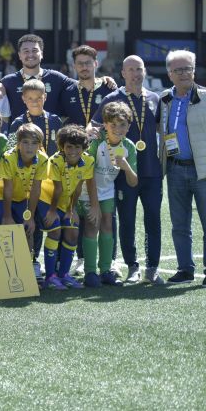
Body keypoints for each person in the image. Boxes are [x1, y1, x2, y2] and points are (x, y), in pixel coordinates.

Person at [90, 55, 164, 285]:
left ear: (144, 71)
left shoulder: (154, 98)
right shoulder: (113, 98)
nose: (135, 73)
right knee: (127, 219)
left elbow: (162, 130)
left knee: (153, 219)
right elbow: (93, 128)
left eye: (139, 69)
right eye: (130, 69)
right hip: (122, 173)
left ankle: (152, 267)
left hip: (151, 171)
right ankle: (133, 266)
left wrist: (163, 164)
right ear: (123, 73)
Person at [158, 50, 206, 285]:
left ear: (194, 71)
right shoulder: (164, 99)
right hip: (175, 169)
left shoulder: (205, 97)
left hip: (203, 171)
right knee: (179, 224)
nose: (184, 73)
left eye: (188, 68)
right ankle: (185, 269)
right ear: (169, 74)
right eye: (178, 70)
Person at [82, 102, 137, 287]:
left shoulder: (128, 146)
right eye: (113, 124)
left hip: (106, 191)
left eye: (122, 125)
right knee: (92, 224)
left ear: (129, 127)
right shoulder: (96, 142)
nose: (118, 129)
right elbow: (87, 175)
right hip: (86, 190)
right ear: (104, 124)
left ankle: (105, 271)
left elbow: (133, 181)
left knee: (107, 226)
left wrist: (126, 167)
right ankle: (90, 272)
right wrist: (94, 204)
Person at [0, 34, 114, 122]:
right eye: (26, 51)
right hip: (20, 143)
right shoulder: (8, 82)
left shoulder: (56, 78)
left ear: (42, 54)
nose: (30, 55)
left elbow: (82, 83)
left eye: (35, 50)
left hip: (51, 142)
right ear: (19, 55)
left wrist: (103, 79)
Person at [38, 124, 95, 290]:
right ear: (62, 146)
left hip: (65, 203)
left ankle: (64, 275)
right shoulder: (55, 160)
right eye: (69, 147)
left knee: (73, 232)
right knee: (55, 231)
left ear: (84, 148)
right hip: (47, 201)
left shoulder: (88, 161)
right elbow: (58, 189)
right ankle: (50, 276)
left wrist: (71, 210)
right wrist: (52, 211)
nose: (73, 151)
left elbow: (78, 187)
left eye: (77, 147)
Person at [0, 124, 47, 268]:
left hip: (22, 198)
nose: (29, 147)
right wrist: (7, 216)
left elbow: (36, 189)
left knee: (28, 229)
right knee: (4, 228)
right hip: (1, 197)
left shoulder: (43, 159)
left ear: (40, 145)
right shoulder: (9, 158)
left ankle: (29, 266)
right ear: (18, 143)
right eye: (25, 142)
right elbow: (7, 189)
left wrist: (31, 216)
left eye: (34, 143)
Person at [60, 45, 111, 128]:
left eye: (88, 63)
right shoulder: (67, 92)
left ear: (96, 64)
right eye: (80, 63)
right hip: (76, 140)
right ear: (74, 66)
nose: (84, 67)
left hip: (103, 140)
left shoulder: (109, 89)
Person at [9, 80, 64, 157]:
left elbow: (62, 147)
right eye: (30, 98)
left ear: (45, 97)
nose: (34, 102)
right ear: (23, 99)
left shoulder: (55, 120)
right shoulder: (17, 123)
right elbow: (10, 149)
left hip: (52, 167)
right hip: (27, 168)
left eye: (39, 98)